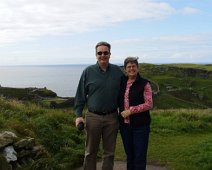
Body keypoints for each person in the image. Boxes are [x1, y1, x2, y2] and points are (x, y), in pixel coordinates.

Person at [74, 41, 124, 170]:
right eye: (100, 53)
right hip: (93, 117)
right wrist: (78, 115)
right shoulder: (88, 71)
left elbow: (124, 93)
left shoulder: (117, 71)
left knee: (109, 153)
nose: (103, 55)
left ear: (110, 54)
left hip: (112, 117)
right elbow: (80, 94)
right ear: (96, 55)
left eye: (105, 52)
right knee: (90, 152)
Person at [118, 57, 153, 170]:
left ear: (137, 68)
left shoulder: (144, 84)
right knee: (130, 156)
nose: (131, 69)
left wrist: (131, 111)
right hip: (125, 126)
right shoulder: (122, 82)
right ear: (125, 69)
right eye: (129, 67)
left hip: (140, 126)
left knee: (139, 157)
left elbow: (149, 104)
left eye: (134, 66)